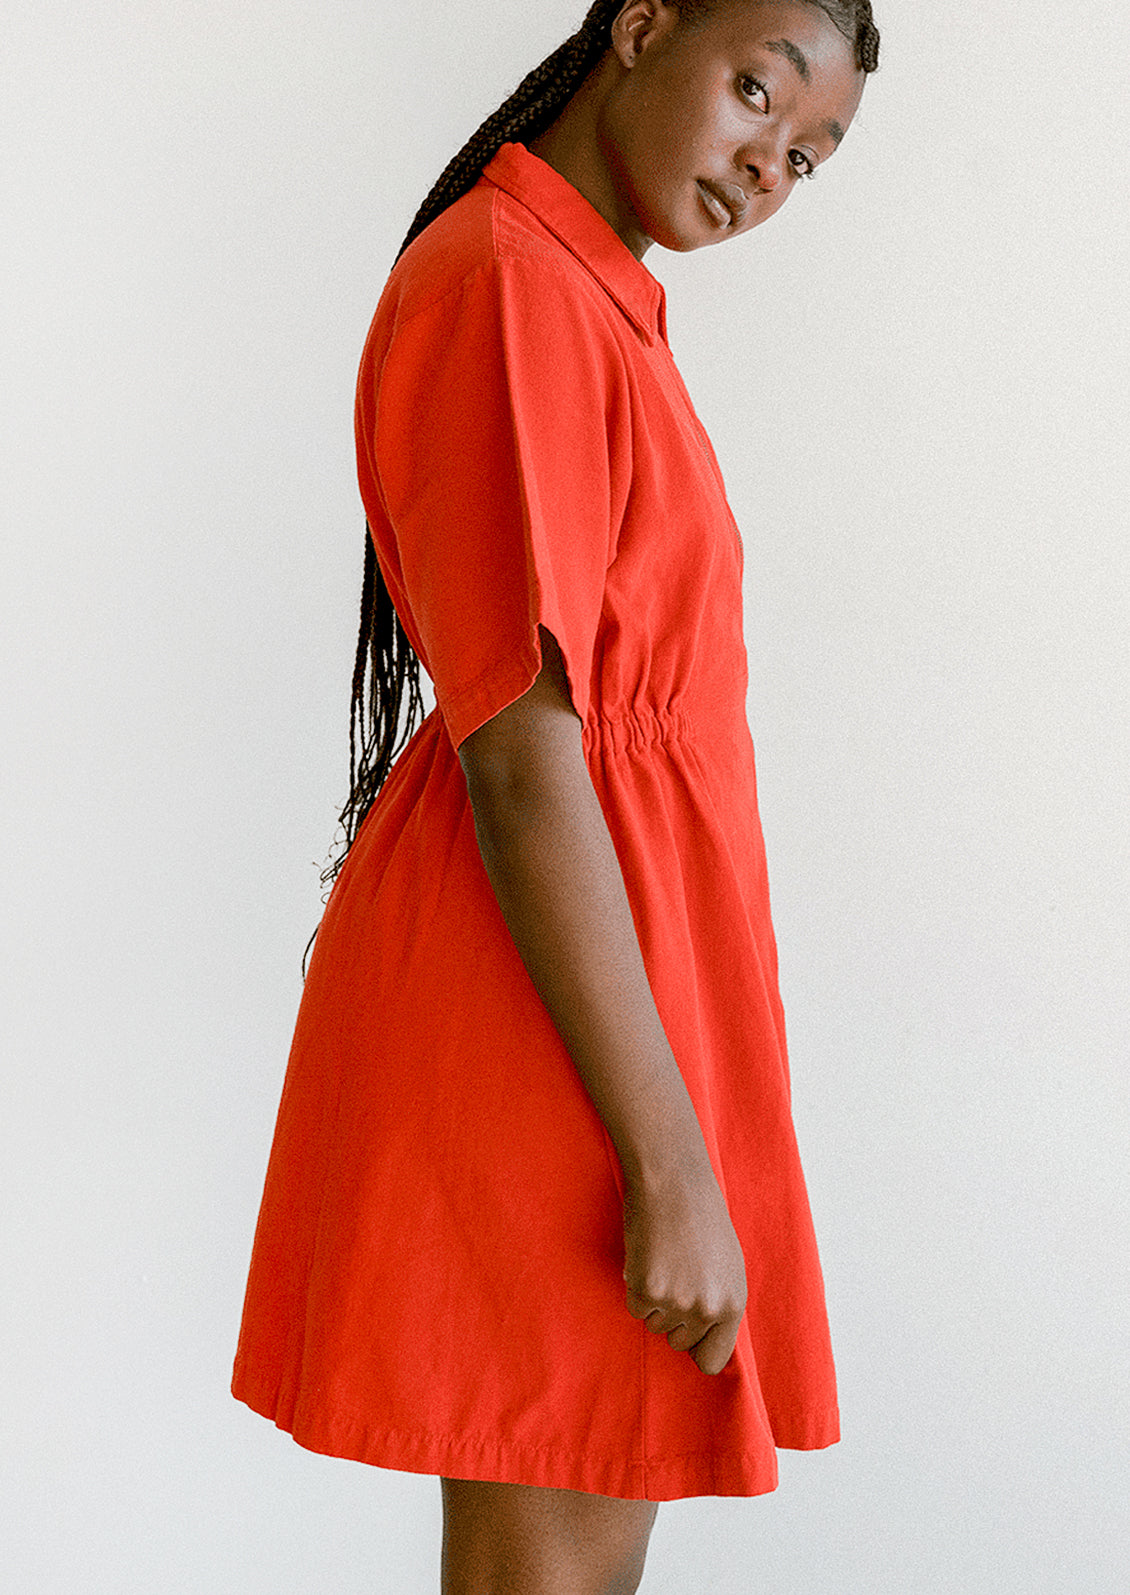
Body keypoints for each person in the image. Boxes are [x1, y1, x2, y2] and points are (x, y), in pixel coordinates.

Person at [232, 2, 880, 1590]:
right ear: (642, 25)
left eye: (807, 155)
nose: (767, 167)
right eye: (753, 92)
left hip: (621, 998)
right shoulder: (517, 287)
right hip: (552, 1021)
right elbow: (522, 757)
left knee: (580, 1540)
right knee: (549, 1550)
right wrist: (669, 1165)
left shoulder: (591, 298)